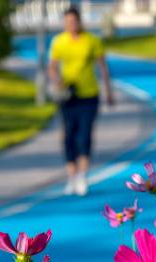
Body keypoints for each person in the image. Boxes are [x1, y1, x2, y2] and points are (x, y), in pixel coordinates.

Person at [48, 7, 113, 196]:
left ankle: (83, 175)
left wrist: (108, 91)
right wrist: (57, 81)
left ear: (79, 22)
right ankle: (72, 175)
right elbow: (52, 67)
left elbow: (102, 66)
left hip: (89, 95)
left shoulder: (91, 41)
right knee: (68, 136)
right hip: (68, 96)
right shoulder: (59, 42)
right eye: (67, 22)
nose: (71, 25)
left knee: (84, 135)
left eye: (74, 21)